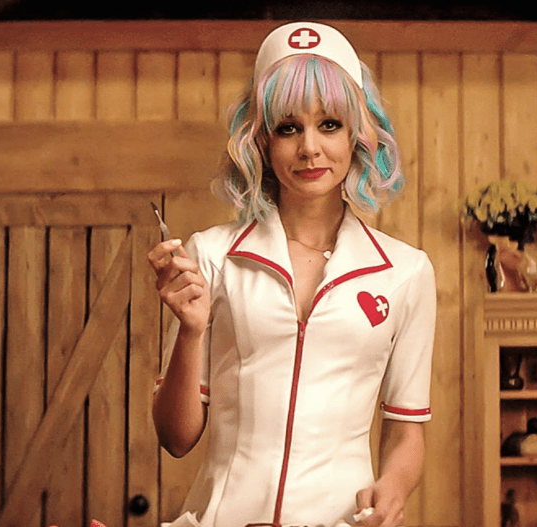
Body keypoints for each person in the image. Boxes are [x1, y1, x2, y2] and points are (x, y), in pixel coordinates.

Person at [148, 21, 436, 527]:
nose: (309, 148)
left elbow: (405, 429)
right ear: (260, 141)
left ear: (357, 135)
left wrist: (392, 488)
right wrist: (190, 332)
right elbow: (176, 438)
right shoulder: (211, 256)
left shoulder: (406, 272)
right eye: (288, 127)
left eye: (329, 125)